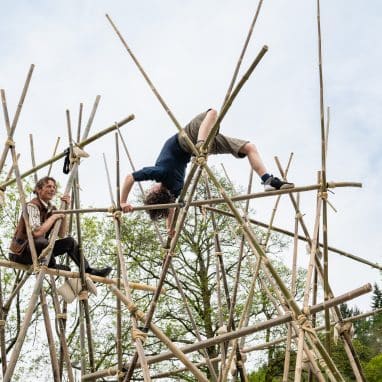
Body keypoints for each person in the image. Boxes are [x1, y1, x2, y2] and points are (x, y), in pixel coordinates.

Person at [120, 108, 294, 232]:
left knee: (248, 147)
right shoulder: (161, 173)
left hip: (199, 144)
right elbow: (130, 178)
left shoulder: (176, 188)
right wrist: (122, 201)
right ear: (155, 191)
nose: (150, 187)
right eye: (150, 190)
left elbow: (172, 207)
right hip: (188, 139)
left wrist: (169, 228)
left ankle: (268, 180)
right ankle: (202, 145)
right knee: (212, 113)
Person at [9, 176, 112, 277]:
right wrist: (53, 217)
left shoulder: (51, 209)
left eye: (54, 187)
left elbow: (62, 234)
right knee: (42, 241)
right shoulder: (32, 206)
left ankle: (88, 270)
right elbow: (36, 232)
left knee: (69, 242)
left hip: (42, 252)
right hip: (21, 253)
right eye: (48, 186)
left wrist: (64, 211)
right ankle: (52, 265)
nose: (52, 189)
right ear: (39, 190)